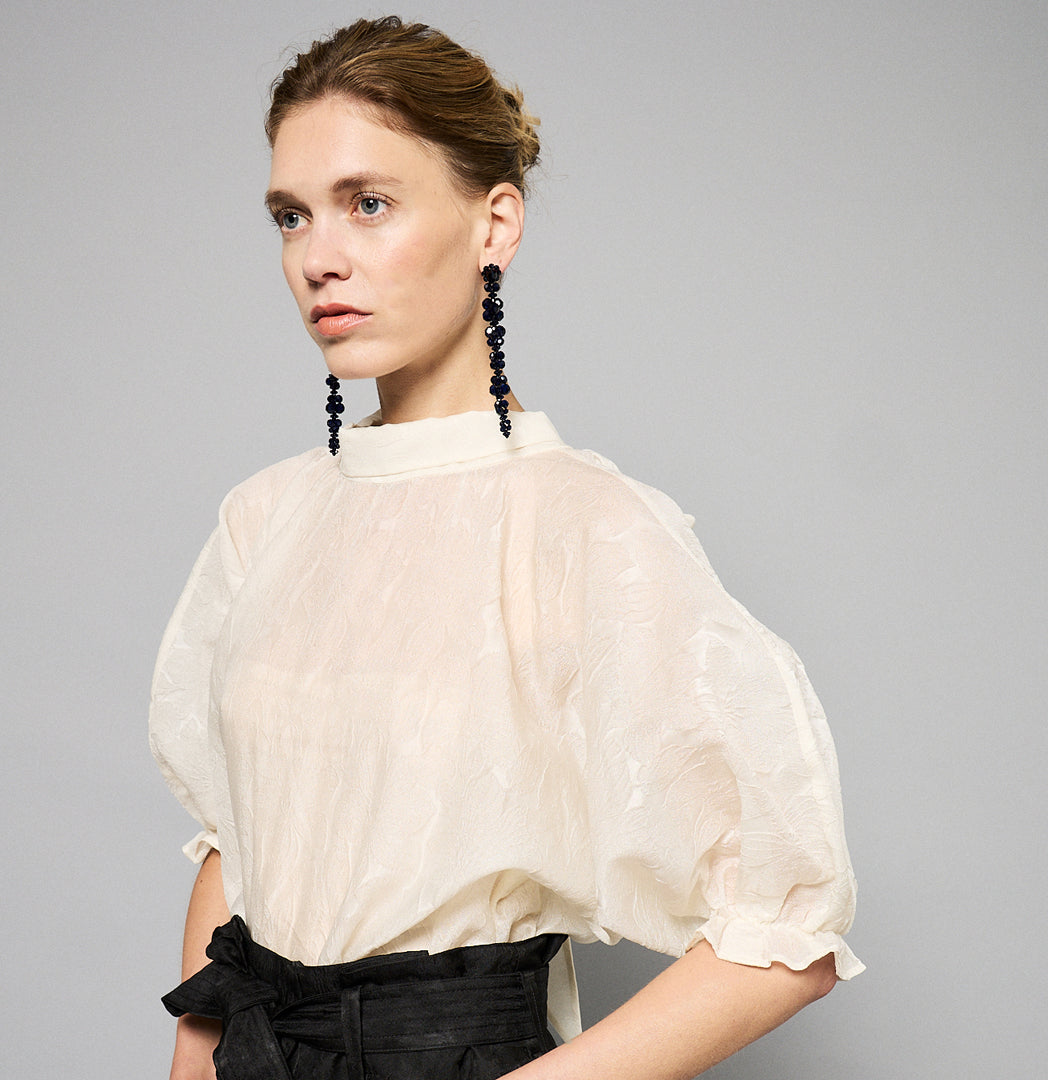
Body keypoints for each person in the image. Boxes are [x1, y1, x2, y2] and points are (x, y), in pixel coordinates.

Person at [149, 15, 863, 1080]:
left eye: (370, 204)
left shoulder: (587, 528)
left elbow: (784, 928)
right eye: (291, 217)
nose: (319, 258)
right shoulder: (266, 518)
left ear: (495, 224)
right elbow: (233, 845)